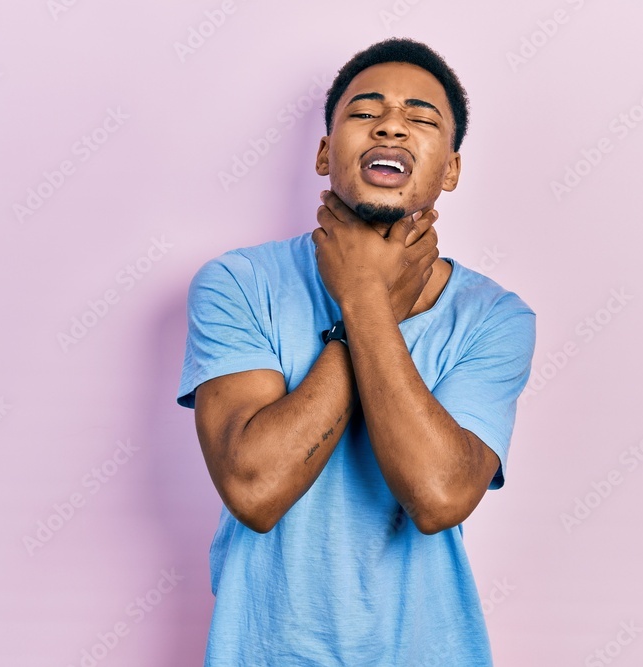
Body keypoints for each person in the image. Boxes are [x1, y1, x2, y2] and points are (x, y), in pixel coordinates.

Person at [177, 37, 536, 666]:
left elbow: (438, 496)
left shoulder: (494, 317)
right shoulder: (239, 283)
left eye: (422, 118)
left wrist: (365, 298)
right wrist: (370, 304)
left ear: (451, 170)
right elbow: (256, 489)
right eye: (365, 112)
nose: (391, 125)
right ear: (324, 153)